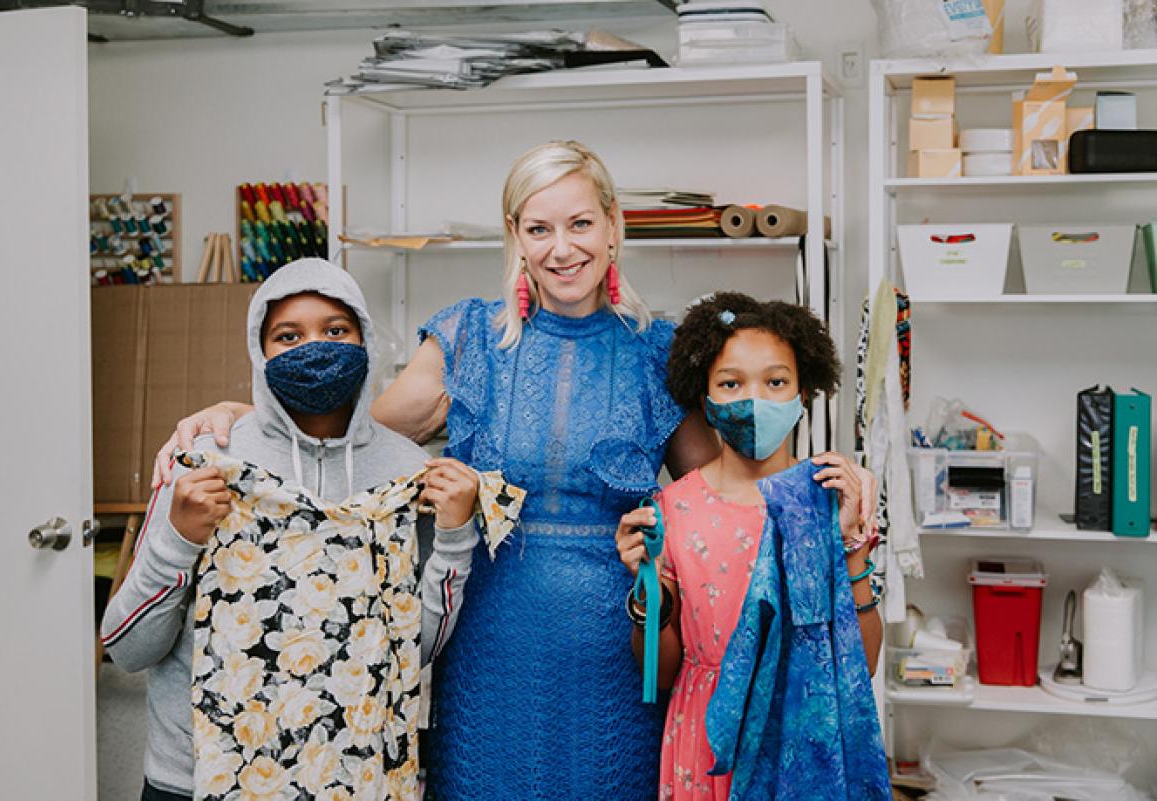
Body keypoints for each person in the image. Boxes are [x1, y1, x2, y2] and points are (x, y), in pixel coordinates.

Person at [151, 142, 872, 800]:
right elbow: (349, 428)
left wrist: (831, 486)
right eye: (539, 229)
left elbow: (728, 488)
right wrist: (241, 411)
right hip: (489, 642)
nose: (563, 248)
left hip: (618, 652)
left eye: (581, 224)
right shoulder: (467, 338)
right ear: (515, 237)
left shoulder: (659, 350)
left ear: (614, 227)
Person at [102, 258, 484, 801]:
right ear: (260, 353)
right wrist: (178, 540)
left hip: (351, 777)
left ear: (364, 338)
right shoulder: (209, 462)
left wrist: (453, 538)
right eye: (288, 335)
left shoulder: (406, 473)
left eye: (335, 330)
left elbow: (411, 651)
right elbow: (126, 648)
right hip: (197, 778)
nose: (315, 347)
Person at [614, 292, 884, 801]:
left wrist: (851, 546)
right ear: (705, 399)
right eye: (731, 383)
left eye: (775, 382)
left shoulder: (827, 499)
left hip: (800, 735)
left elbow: (861, 664)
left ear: (804, 394)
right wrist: (647, 587)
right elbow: (660, 671)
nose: (754, 398)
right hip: (706, 744)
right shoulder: (674, 508)